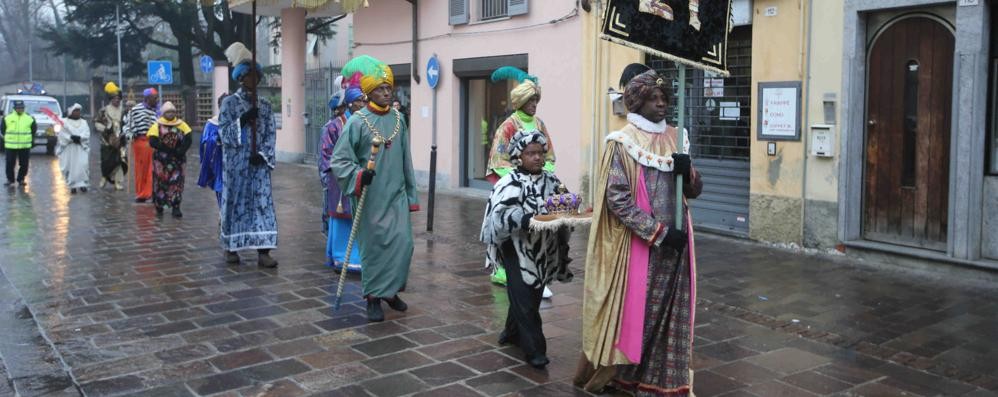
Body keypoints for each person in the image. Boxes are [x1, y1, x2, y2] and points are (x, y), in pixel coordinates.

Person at [574, 70, 703, 396]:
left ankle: (661, 379)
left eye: (664, 98)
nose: (661, 104)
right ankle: (622, 376)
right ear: (637, 102)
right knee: (638, 315)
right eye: (653, 99)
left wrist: (687, 172)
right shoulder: (622, 142)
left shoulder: (678, 136)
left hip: (679, 243)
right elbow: (616, 198)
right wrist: (658, 232)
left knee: (671, 313)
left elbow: (696, 190)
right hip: (640, 246)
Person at [331, 55, 419, 322]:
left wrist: (411, 194)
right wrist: (359, 176)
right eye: (380, 88)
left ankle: (391, 291)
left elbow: (406, 159)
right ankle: (373, 297)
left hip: (396, 195)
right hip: (370, 197)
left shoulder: (398, 119)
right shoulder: (357, 122)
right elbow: (339, 160)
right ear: (369, 91)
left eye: (388, 88)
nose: (386, 92)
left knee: (403, 244)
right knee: (374, 247)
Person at [481, 130, 574, 369]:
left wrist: (572, 207)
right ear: (518, 156)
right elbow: (498, 215)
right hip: (516, 247)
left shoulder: (551, 181)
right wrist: (522, 219)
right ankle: (535, 350)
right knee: (525, 297)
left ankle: (512, 331)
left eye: (540, 153)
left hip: (542, 249)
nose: (536, 158)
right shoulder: (508, 182)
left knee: (529, 294)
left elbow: (564, 203)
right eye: (530, 153)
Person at [486, 66, 558, 299]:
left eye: (536, 100)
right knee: (513, 230)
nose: (534, 105)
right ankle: (506, 270)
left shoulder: (540, 124)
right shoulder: (508, 125)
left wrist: (544, 169)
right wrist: (520, 177)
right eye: (530, 100)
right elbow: (498, 159)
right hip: (516, 187)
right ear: (521, 102)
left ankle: (536, 272)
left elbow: (548, 154)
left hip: (540, 185)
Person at [217, 42, 279, 268]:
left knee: (262, 203)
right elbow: (222, 132)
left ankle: (264, 250)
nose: (255, 79)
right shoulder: (229, 103)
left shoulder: (264, 105)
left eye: (257, 75)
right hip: (236, 165)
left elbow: (271, 133)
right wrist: (243, 120)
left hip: (258, 163)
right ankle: (232, 246)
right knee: (235, 202)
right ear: (241, 78)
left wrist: (262, 154)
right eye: (250, 75)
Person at [319, 86, 364, 273]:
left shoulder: (366, 123)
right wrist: (344, 170)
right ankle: (340, 257)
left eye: (365, 100)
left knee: (360, 217)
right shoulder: (333, 126)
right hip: (341, 179)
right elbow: (326, 155)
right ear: (350, 103)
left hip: (360, 177)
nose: (363, 104)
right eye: (360, 100)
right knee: (342, 217)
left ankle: (360, 257)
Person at [147, 101, 193, 218]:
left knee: (177, 183)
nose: (171, 114)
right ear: (163, 113)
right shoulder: (157, 125)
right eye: (168, 112)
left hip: (178, 160)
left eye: (173, 111)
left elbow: (188, 139)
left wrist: (180, 151)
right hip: (161, 161)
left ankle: (176, 206)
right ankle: (159, 205)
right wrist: (167, 149)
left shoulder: (181, 125)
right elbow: (153, 141)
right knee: (160, 182)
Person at [124, 88, 160, 202]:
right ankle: (142, 193)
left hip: (155, 143)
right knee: (142, 169)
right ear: (148, 98)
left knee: (154, 168)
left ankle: (152, 192)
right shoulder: (136, 110)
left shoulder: (159, 110)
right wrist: (130, 133)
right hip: (140, 143)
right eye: (155, 98)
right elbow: (128, 125)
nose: (157, 100)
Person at [94, 82, 127, 190]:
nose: (116, 100)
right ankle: (104, 177)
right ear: (110, 99)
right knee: (107, 161)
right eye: (114, 98)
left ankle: (118, 182)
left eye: (118, 98)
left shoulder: (124, 111)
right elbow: (97, 123)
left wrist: (125, 133)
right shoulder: (104, 110)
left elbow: (128, 123)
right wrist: (105, 128)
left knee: (120, 161)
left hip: (120, 140)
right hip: (107, 141)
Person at [197, 93, 228, 207]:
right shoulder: (212, 123)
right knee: (220, 186)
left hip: (234, 161)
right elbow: (205, 142)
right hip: (218, 161)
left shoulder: (238, 122)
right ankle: (222, 213)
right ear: (220, 106)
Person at [57, 103, 91, 194]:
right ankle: (73, 186)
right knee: (71, 167)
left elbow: (87, 133)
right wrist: (70, 138)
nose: (77, 113)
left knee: (83, 165)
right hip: (70, 148)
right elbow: (62, 134)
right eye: (75, 111)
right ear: (71, 112)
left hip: (80, 147)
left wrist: (80, 138)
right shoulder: (64, 122)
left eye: (78, 111)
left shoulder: (84, 122)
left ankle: (83, 184)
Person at [2, 100, 36, 186]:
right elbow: (2, 130)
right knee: (10, 163)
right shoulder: (7, 118)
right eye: (18, 108)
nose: (20, 109)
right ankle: (10, 180)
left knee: (24, 164)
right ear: (14, 108)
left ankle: (21, 179)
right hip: (10, 145)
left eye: (21, 108)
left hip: (24, 145)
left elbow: (33, 130)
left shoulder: (30, 118)